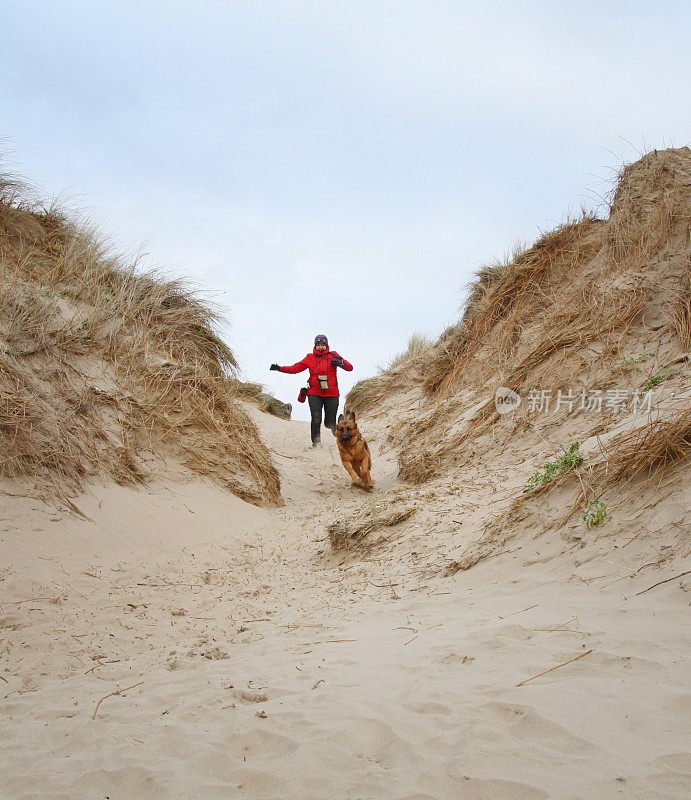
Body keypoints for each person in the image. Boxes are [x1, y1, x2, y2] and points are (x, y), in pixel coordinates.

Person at [270, 334, 353, 446]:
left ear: (326, 345)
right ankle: (316, 444)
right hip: (314, 393)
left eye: (322, 345)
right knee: (316, 418)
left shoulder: (333, 355)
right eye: (318, 345)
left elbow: (350, 368)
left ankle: (334, 428)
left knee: (329, 422)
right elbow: (295, 368)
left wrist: (341, 363)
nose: (320, 347)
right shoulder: (310, 357)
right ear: (315, 345)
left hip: (332, 394)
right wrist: (279, 368)